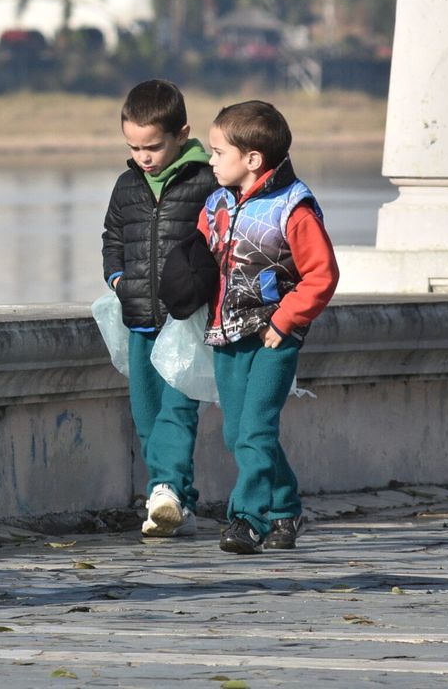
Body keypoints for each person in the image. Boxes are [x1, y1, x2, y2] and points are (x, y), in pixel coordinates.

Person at [198, 100, 339, 554]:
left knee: (256, 431)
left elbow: (322, 274)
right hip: (227, 334)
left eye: (218, 153)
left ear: (252, 159)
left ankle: (247, 519)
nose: (211, 160)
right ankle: (286, 509)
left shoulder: (292, 207)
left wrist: (286, 318)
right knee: (237, 434)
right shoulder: (216, 202)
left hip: (274, 338)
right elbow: (201, 260)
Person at [102, 79, 218, 538]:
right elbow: (113, 238)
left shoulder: (208, 181)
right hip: (139, 320)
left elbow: (221, 244)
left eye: (152, 146)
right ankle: (176, 504)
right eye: (133, 147)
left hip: (185, 322)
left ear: (182, 133)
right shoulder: (127, 185)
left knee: (177, 412)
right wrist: (117, 279)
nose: (143, 157)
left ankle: (164, 489)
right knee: (147, 416)